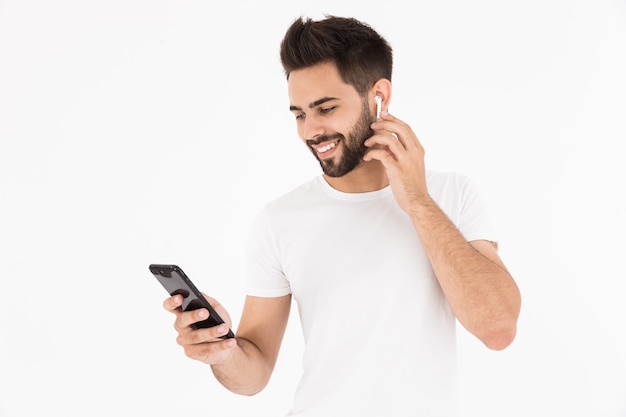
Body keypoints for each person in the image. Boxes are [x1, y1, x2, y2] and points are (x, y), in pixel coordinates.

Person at [163, 15, 521, 417]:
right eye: (299, 114)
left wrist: (417, 201)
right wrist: (222, 351)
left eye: (326, 108)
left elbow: (498, 328)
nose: (310, 131)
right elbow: (254, 372)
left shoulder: (451, 195)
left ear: (379, 97)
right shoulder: (279, 221)